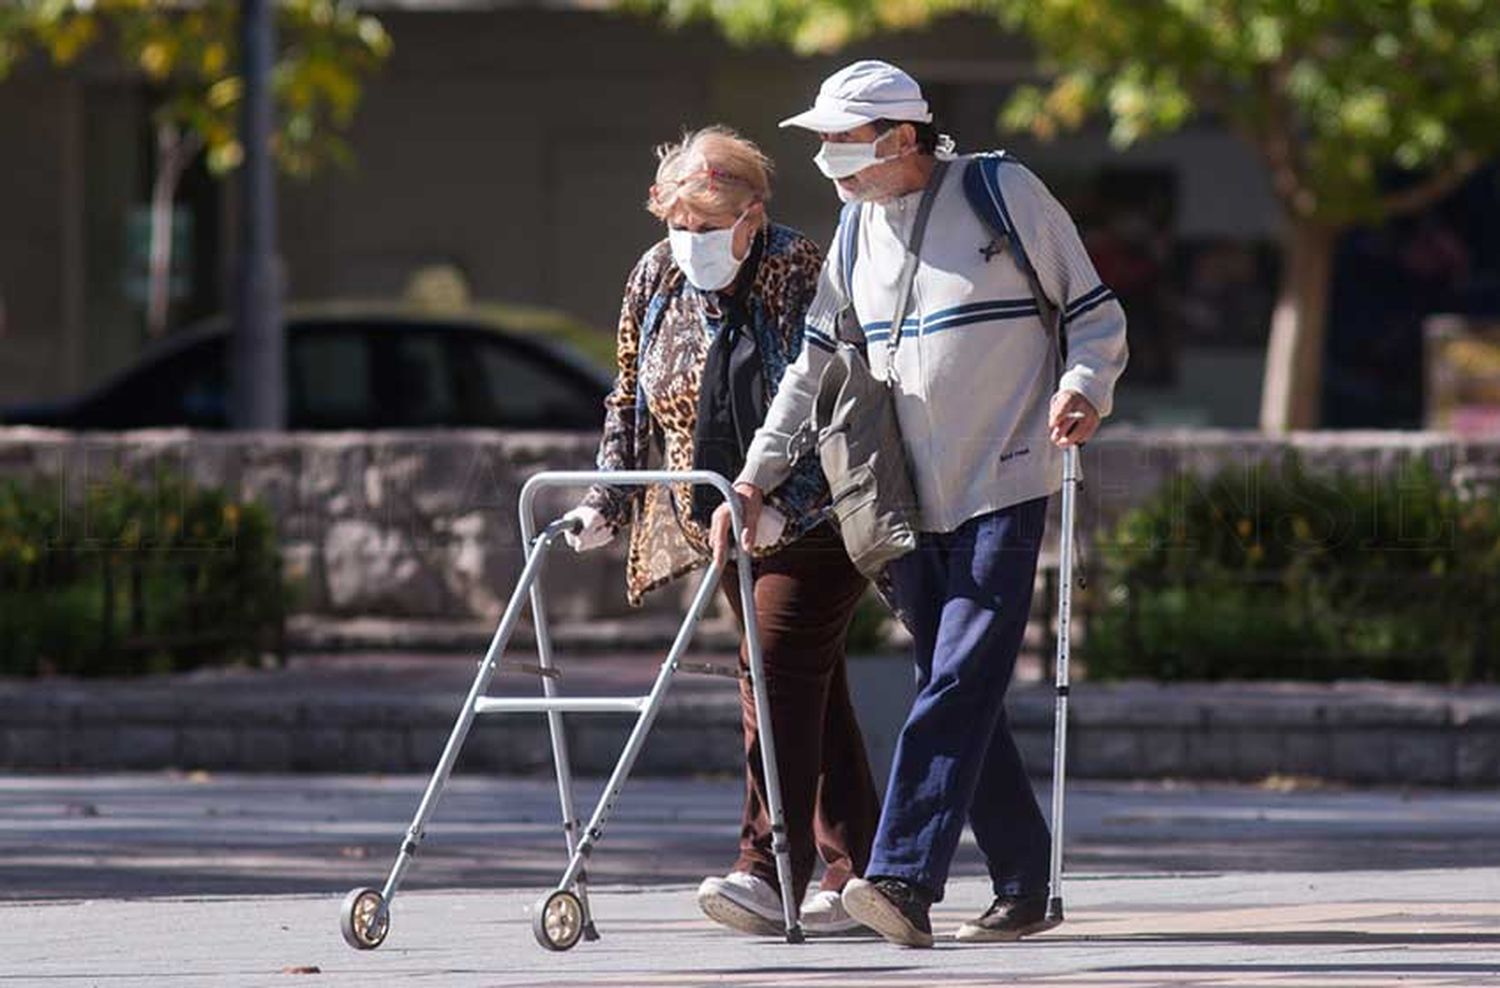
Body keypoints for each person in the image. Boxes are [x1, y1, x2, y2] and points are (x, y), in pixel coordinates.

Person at [711, 61, 1129, 947]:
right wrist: (753, 476)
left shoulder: (1001, 189)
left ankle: (900, 878)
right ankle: (1022, 882)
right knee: (957, 681)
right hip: (902, 502)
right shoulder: (857, 227)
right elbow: (813, 367)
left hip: (1007, 479)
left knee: (958, 676)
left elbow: (1093, 313)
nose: (827, 157)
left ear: (902, 138)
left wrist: (1085, 386)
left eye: (842, 140)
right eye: (821, 140)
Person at [562, 126, 881, 937]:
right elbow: (630, 396)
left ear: (753, 214)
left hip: (815, 513)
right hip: (719, 520)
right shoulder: (655, 274)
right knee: (807, 684)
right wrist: (607, 498)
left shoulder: (798, 267)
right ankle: (861, 869)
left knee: (770, 670)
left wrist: (783, 497)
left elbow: (826, 401)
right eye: (679, 224)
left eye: (708, 226)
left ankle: (766, 869)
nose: (691, 242)